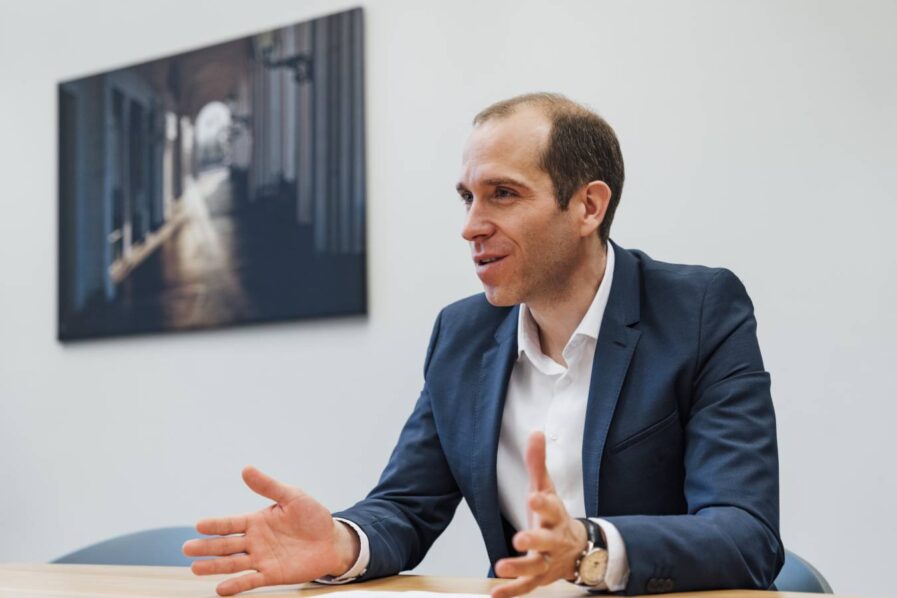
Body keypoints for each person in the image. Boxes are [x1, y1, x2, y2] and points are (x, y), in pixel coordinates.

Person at [183, 93, 784, 596]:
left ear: (587, 206)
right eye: (467, 197)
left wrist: (589, 548)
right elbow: (406, 507)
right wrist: (342, 542)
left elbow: (744, 533)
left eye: (503, 194)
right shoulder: (461, 334)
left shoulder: (700, 310)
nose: (471, 225)